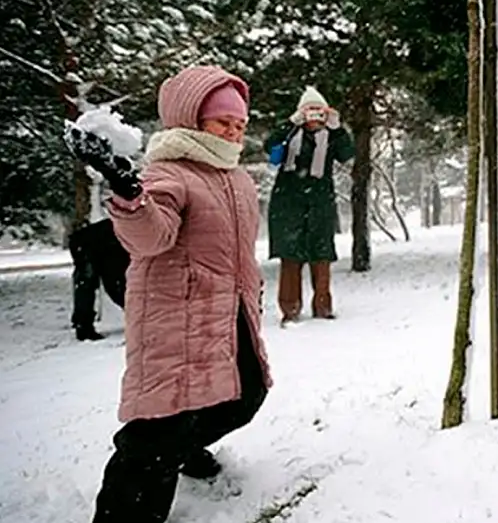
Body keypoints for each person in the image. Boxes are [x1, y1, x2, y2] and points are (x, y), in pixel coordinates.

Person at [68, 65, 273, 523]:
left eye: (240, 124)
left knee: (245, 395)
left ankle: (183, 449)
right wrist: (127, 192)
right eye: (223, 122)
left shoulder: (237, 178)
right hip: (176, 318)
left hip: (228, 313)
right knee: (159, 432)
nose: (234, 132)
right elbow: (149, 238)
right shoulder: (170, 172)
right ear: (190, 120)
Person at [264, 86, 354, 325]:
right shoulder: (290, 134)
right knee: (290, 258)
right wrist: (289, 123)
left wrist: (338, 128)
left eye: (319, 112)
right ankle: (290, 310)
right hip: (288, 204)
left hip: (320, 204)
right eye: (309, 112)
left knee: (321, 256)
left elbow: (347, 154)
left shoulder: (331, 137)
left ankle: (323, 308)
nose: (314, 118)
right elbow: (269, 147)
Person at [67, 217, 129, 341]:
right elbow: (117, 285)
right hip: (92, 245)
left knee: (86, 284)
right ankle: (83, 326)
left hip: (91, 243)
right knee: (89, 284)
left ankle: (82, 323)